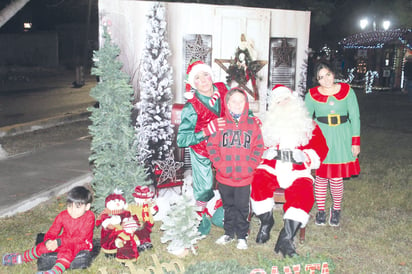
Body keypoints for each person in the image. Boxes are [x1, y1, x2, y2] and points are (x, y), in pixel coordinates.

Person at [250, 85, 328, 258]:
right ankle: (266, 222)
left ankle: (286, 238)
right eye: (278, 101)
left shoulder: (308, 124)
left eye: (285, 99)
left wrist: (306, 155)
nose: (283, 104)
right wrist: (264, 152)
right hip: (271, 166)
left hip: (297, 169)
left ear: (293, 101)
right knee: (258, 182)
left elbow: (321, 148)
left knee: (303, 192)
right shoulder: (267, 125)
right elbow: (256, 146)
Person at [206, 87, 264, 250]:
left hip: (244, 177)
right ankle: (229, 233)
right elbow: (212, 147)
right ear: (227, 104)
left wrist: (250, 165)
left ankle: (242, 236)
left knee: (242, 207)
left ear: (246, 103)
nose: (237, 104)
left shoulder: (252, 124)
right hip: (225, 176)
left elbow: (258, 147)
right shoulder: (221, 124)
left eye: (241, 101)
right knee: (228, 206)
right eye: (234, 101)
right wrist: (220, 165)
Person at [305, 62, 361, 227]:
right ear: (317, 79)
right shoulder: (311, 94)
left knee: (336, 176)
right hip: (321, 137)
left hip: (342, 135)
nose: (326, 80)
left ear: (333, 74)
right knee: (321, 176)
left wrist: (355, 142)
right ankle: (320, 210)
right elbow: (306, 120)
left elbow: (355, 117)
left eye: (328, 74)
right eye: (321, 77)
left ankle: (336, 209)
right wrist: (306, 144)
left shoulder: (347, 91)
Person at [176, 59, 230, 215]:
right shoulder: (191, 107)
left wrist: (250, 117)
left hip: (225, 143)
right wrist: (206, 131)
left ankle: (226, 204)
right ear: (193, 83)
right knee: (205, 185)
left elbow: (237, 104)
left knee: (233, 174)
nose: (203, 80)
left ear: (211, 75)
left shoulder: (223, 89)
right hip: (202, 148)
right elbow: (181, 140)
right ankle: (200, 211)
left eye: (206, 74)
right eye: (197, 78)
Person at [2, 186, 95, 274]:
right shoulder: (63, 216)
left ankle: (54, 271)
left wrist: (59, 242)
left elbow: (80, 238)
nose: (72, 210)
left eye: (77, 207)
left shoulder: (89, 217)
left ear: (87, 207)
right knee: (42, 247)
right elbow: (53, 231)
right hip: (64, 239)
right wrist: (48, 241)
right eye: (70, 206)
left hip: (82, 243)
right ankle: (20, 258)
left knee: (67, 251)